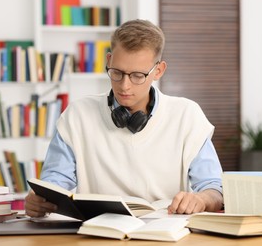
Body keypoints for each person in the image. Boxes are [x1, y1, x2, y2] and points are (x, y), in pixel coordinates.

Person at [25, 19, 224, 217]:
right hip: (98, 232)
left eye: (137, 75)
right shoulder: (77, 115)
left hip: (164, 232)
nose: (125, 86)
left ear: (159, 70)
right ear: (108, 61)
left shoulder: (187, 115)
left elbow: (214, 188)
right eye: (117, 73)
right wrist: (40, 200)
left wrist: (201, 199)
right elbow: (56, 181)